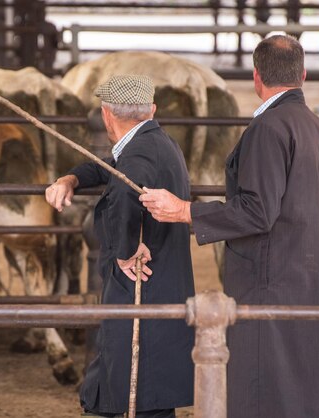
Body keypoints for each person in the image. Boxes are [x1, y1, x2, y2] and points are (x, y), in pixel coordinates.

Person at [139, 35, 319, 418]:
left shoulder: (268, 129)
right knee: (304, 391)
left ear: (256, 77)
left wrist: (186, 211)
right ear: (302, 74)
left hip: (268, 282)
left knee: (260, 390)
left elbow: (257, 211)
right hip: (310, 280)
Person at [45, 75, 195, 418]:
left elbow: (126, 194)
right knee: (130, 384)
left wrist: (126, 251)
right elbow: (110, 170)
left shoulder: (139, 154)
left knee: (133, 386)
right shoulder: (153, 142)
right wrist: (72, 178)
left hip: (142, 287)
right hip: (160, 286)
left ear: (105, 114)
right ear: (152, 110)